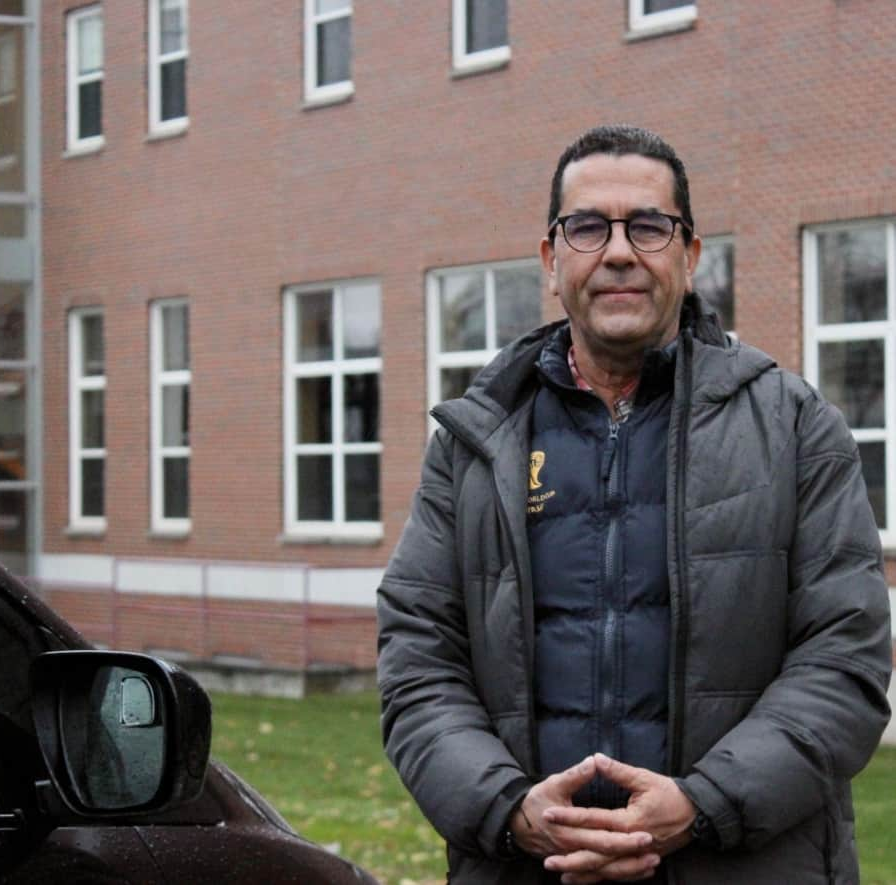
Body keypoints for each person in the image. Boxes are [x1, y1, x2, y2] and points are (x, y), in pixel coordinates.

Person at [377, 124, 892, 884]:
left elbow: (844, 661)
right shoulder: (475, 442)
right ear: (553, 260)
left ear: (689, 256)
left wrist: (702, 803)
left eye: (648, 226)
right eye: (588, 226)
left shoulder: (793, 426)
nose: (619, 250)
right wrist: (512, 811)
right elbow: (418, 659)